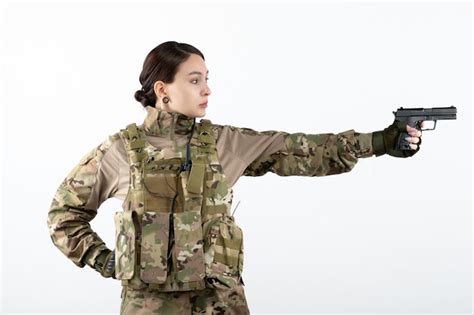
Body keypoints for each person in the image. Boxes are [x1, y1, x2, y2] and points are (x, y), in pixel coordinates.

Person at [47, 41, 422, 314]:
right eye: (195, 80)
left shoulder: (224, 143)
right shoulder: (119, 151)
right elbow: (63, 214)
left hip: (220, 305)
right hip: (150, 307)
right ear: (162, 90)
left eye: (207, 79)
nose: (207, 89)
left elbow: (298, 149)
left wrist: (380, 141)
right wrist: (106, 261)